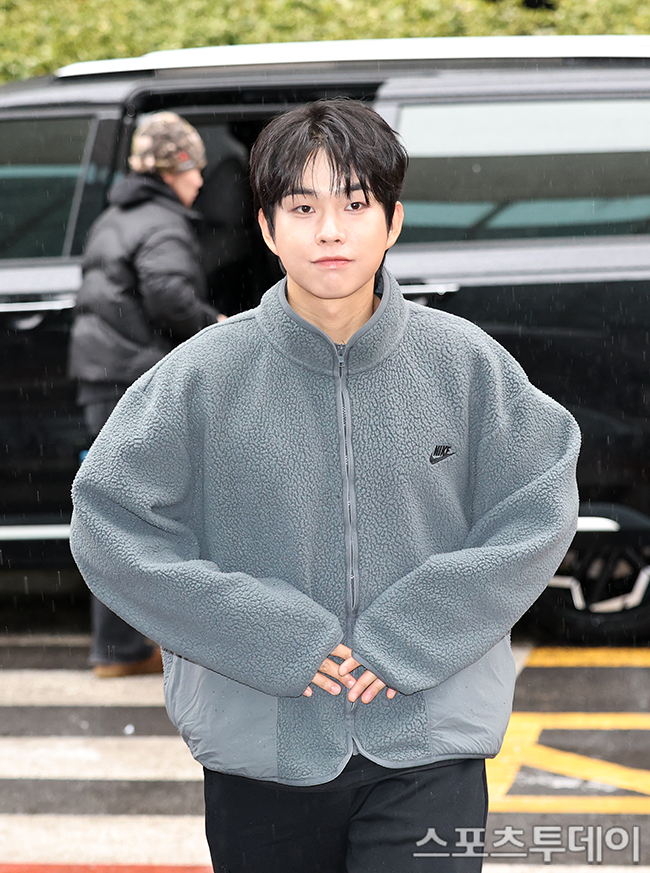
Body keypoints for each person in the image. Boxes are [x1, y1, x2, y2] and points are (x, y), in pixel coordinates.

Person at [69, 99, 580, 870]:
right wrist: (270, 634)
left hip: (431, 745)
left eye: (355, 204)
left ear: (393, 221)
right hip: (260, 748)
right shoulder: (200, 377)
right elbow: (110, 523)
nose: (330, 231)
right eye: (303, 208)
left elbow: (537, 504)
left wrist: (408, 633)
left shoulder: (465, 363)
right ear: (268, 228)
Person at [68, 111, 222, 678]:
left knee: (114, 512)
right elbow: (167, 294)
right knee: (160, 510)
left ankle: (118, 648)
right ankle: (143, 646)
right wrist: (218, 327)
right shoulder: (164, 223)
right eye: (196, 168)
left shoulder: (113, 217)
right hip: (134, 381)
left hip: (101, 378)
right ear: (175, 169)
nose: (201, 180)